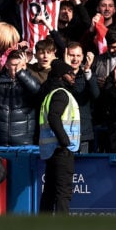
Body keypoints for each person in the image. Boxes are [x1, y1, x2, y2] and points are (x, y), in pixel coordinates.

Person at [38, 58, 80, 214]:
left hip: (52, 150)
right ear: (61, 76)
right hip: (61, 150)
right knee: (63, 192)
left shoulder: (51, 93)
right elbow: (54, 117)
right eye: (70, 73)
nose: (73, 76)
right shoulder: (61, 94)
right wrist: (65, 141)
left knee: (49, 192)